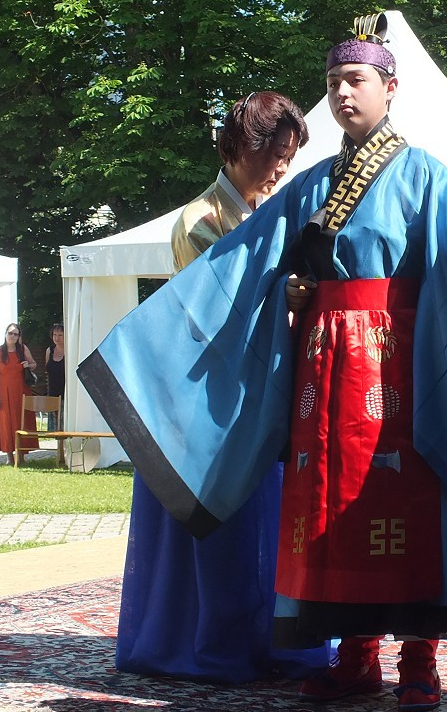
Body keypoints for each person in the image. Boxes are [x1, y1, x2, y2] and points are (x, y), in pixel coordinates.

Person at [78, 14, 447, 712]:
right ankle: (357, 655)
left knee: (413, 500)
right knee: (336, 507)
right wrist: (152, 339)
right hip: (327, 376)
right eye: (334, 82)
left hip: (401, 368)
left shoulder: (425, 176)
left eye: (356, 80)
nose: (343, 94)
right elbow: (241, 257)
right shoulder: (312, 183)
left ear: (390, 88)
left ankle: (418, 659)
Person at [115, 91, 329, 684]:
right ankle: (218, 642)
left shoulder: (274, 205)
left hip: (266, 391)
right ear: (241, 148)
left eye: (289, 156)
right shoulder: (201, 219)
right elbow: (215, 311)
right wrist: (281, 292)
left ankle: (275, 635)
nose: (282, 167)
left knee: (274, 527)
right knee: (226, 536)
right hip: (210, 401)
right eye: (275, 154)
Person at [0, 322, 37, 466]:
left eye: (15, 334)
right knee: (6, 423)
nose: (12, 336)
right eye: (10, 333)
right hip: (4, 393)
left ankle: (22, 456)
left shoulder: (22, 349)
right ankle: (9, 457)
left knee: (21, 422)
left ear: (18, 337)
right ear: (5, 334)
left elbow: (34, 364)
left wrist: (28, 365)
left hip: (21, 392)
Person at [44, 324, 65, 431]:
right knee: (54, 429)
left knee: (65, 425)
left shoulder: (70, 351)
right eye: (54, 335)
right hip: (52, 393)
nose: (57, 338)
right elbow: (47, 370)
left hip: (66, 395)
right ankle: (58, 448)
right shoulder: (49, 351)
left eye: (60, 335)